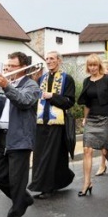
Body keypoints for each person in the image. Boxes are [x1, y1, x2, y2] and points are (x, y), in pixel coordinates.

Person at [0, 52, 41, 217]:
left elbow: (24, 101)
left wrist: (7, 86)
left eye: (12, 66)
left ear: (22, 67)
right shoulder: (3, 86)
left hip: (20, 138)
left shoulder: (31, 85)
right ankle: (23, 199)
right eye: (7, 65)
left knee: (17, 181)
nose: (7, 69)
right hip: (2, 135)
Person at [28, 51, 76, 198]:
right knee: (40, 154)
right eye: (47, 59)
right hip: (41, 122)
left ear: (59, 61)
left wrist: (52, 96)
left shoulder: (67, 79)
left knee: (50, 155)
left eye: (52, 59)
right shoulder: (41, 78)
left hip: (57, 124)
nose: (48, 61)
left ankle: (46, 188)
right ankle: (59, 181)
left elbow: (69, 102)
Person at [77, 54, 108, 195]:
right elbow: (87, 103)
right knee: (87, 150)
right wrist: (85, 118)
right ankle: (87, 183)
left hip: (106, 119)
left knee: (105, 151)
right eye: (90, 65)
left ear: (99, 66)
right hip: (92, 120)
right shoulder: (86, 81)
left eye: (95, 65)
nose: (92, 68)